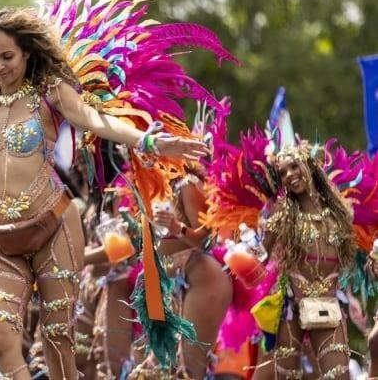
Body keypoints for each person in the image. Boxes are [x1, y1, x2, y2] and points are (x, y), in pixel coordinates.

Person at [0, 7, 208, 380]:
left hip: (53, 226)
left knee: (57, 340)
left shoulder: (50, 92)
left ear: (27, 52)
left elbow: (92, 120)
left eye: (7, 57)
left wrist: (149, 140)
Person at [251, 144, 356, 380]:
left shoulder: (339, 214)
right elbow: (258, 258)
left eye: (294, 166)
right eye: (283, 172)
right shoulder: (282, 215)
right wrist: (246, 245)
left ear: (309, 166)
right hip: (291, 308)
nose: (289, 175)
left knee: (339, 374)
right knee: (285, 375)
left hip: (327, 305)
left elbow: (355, 262)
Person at [150, 169, 234, 379]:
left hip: (199, 278)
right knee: (163, 370)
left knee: (187, 371)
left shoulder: (186, 184)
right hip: (170, 284)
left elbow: (207, 239)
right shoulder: (152, 186)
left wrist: (176, 227)